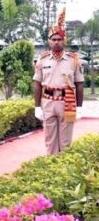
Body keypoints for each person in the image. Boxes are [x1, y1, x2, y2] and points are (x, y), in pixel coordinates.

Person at [33, 9, 84, 154]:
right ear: (49, 41)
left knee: (65, 142)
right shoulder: (42, 60)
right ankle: (52, 167)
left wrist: (79, 107)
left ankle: (64, 170)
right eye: (53, 39)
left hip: (66, 103)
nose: (56, 42)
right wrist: (37, 106)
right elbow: (37, 83)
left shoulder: (73, 60)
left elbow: (79, 84)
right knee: (50, 141)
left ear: (64, 41)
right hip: (48, 101)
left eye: (59, 39)